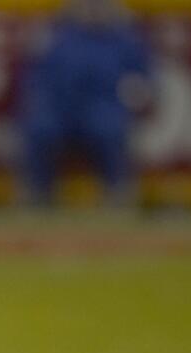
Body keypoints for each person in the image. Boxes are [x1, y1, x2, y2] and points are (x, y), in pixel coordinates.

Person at [17, 0, 152, 206]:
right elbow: (34, 75)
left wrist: (135, 93)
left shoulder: (125, 39)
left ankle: (118, 195)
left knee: (110, 129)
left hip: (103, 107)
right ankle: (37, 196)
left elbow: (142, 78)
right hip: (59, 109)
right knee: (40, 129)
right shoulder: (56, 35)